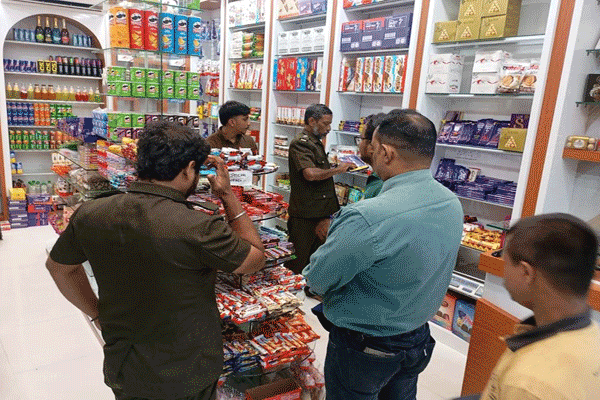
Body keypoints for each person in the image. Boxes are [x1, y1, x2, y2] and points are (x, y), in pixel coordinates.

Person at [46, 121, 266, 400]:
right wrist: (227, 194)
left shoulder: (91, 213)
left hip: (126, 364)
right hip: (187, 368)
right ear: (188, 169)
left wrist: (97, 314)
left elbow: (59, 268)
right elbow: (255, 258)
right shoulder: (198, 225)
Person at [303, 109, 464, 400]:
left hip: (365, 346)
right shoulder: (450, 202)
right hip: (417, 338)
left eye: (374, 148)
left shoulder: (368, 216)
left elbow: (318, 278)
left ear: (387, 153)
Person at [474, 213, 600, 400]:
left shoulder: (526, 385)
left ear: (526, 272)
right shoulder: (590, 336)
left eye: (506, 262)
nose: (503, 272)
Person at [286, 103, 354, 274]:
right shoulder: (301, 143)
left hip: (318, 211)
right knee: (299, 260)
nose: (329, 128)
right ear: (311, 121)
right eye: (325, 123)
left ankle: (308, 287)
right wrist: (338, 170)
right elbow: (310, 174)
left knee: (315, 259)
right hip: (306, 214)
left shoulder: (315, 142)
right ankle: (294, 288)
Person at [357, 113, 387, 199]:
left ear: (372, 145)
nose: (359, 144)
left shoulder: (380, 185)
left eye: (361, 138)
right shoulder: (378, 177)